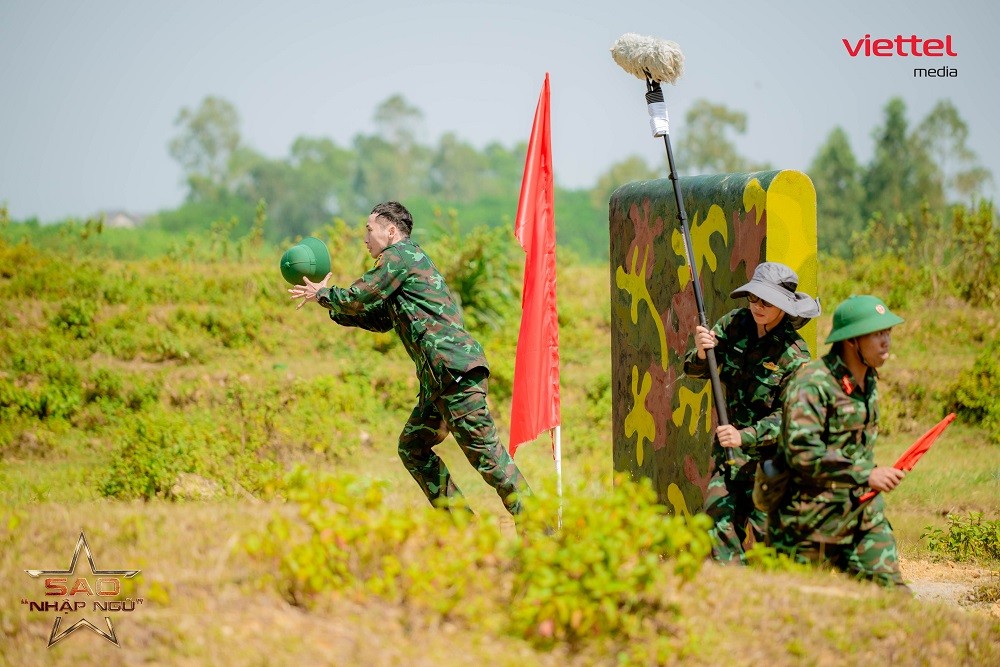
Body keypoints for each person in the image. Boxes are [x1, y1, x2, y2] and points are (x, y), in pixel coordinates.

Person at [288, 201, 532, 516]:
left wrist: (325, 294)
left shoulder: (399, 257)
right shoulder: (403, 265)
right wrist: (334, 307)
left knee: (487, 458)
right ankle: (462, 526)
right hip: (439, 380)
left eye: (369, 230)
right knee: (413, 448)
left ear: (390, 231)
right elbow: (378, 317)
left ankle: (542, 529)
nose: (365, 239)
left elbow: (360, 296)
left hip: (453, 372)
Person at [683, 262, 821, 564]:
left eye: (766, 301)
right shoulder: (735, 323)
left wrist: (745, 436)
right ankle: (730, 598)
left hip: (771, 463)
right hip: (730, 458)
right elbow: (695, 371)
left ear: (784, 306)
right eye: (753, 298)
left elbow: (792, 416)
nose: (757, 306)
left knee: (764, 548)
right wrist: (702, 352)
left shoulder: (795, 354)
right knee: (717, 523)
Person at [769, 295, 909, 589]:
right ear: (851, 341)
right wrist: (866, 474)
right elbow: (802, 454)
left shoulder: (869, 379)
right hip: (808, 522)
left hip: (861, 515)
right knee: (792, 612)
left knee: (892, 598)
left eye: (888, 332)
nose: (886, 341)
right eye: (876, 333)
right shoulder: (812, 384)